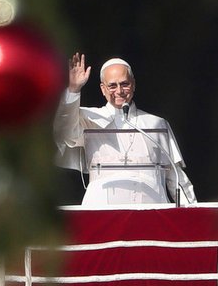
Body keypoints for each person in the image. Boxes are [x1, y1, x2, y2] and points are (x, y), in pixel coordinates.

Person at [53, 52, 197, 206]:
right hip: (103, 211)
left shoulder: (156, 124)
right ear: (103, 89)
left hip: (152, 210)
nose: (119, 91)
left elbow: (175, 177)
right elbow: (65, 132)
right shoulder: (88, 119)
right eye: (112, 86)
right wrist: (74, 90)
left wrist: (191, 213)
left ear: (133, 84)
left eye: (124, 84)